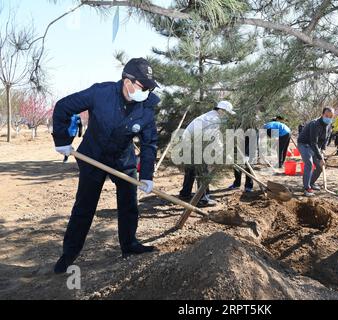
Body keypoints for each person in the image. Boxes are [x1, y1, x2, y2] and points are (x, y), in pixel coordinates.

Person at [51, 58, 160, 274]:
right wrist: (62, 141)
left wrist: (147, 175)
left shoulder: (146, 108)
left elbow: (149, 144)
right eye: (143, 85)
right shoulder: (100, 93)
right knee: (84, 206)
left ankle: (129, 245)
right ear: (127, 80)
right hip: (93, 155)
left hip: (122, 160)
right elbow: (63, 107)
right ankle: (69, 254)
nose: (146, 90)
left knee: (129, 204)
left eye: (149, 87)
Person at [179, 101, 236, 206]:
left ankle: (185, 193)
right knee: (203, 172)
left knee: (191, 170)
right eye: (227, 113)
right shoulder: (213, 119)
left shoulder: (209, 116)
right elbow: (213, 138)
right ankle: (203, 199)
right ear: (222, 111)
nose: (228, 116)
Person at [297, 107, 334, 197]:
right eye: (326, 115)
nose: (328, 118)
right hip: (304, 144)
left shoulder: (329, 125)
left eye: (331, 116)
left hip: (315, 147)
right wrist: (320, 157)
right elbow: (313, 142)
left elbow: (326, 138)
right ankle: (306, 188)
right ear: (322, 114)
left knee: (320, 167)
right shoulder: (315, 124)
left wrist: (323, 150)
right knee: (309, 164)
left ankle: (311, 183)